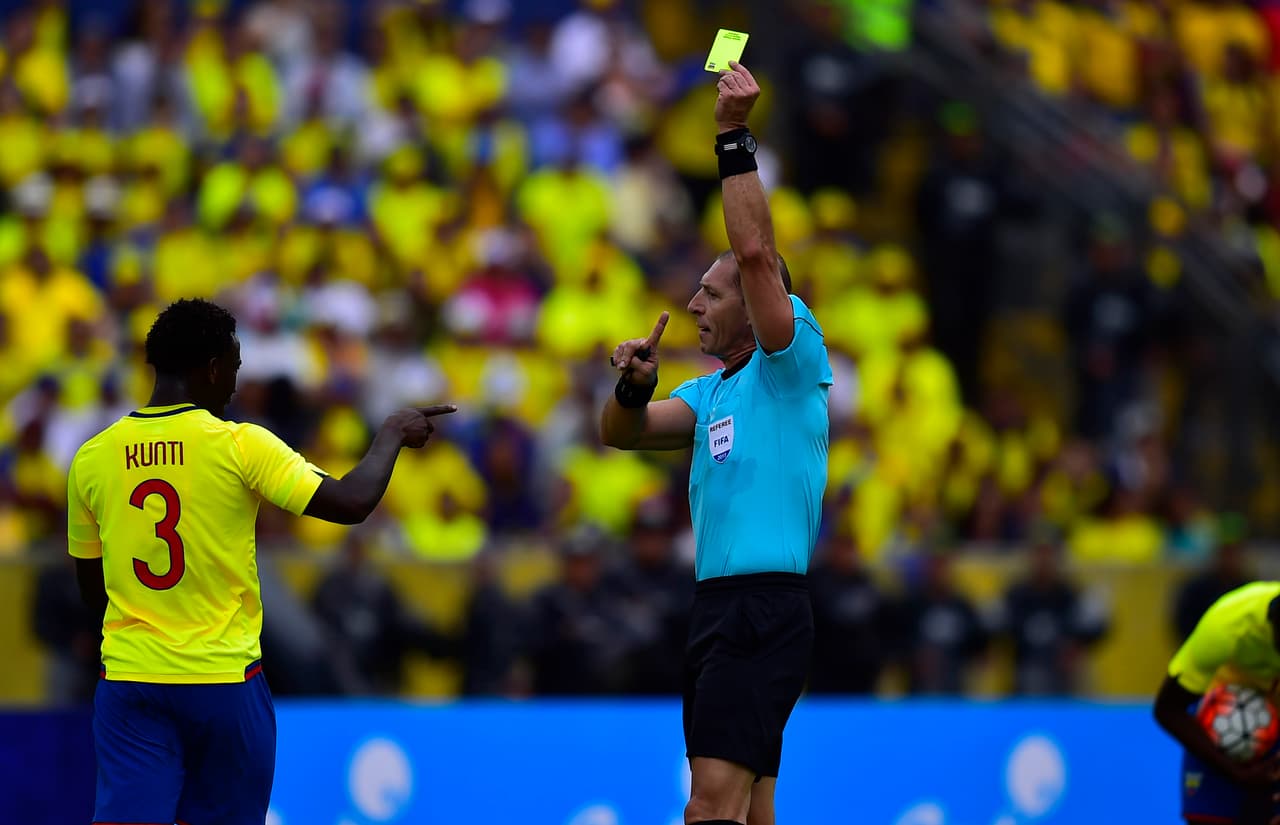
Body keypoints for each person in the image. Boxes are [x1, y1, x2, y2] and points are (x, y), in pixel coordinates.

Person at [67, 298, 456, 825]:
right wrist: (390, 433)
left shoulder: (92, 458)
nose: (234, 384)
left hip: (134, 684)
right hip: (225, 685)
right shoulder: (239, 444)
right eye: (233, 368)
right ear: (210, 368)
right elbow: (350, 503)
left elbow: (94, 591)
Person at [600, 61, 833, 825]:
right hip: (718, 608)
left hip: (762, 608)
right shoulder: (709, 395)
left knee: (708, 806)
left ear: (760, 303)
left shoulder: (790, 359)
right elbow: (624, 433)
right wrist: (633, 384)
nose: (694, 302)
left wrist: (732, 138)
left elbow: (759, 255)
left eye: (711, 291)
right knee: (754, 806)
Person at [1153, 582, 1280, 825]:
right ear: (1272, 624)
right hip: (1216, 724)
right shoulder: (1226, 625)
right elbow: (1167, 709)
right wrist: (1236, 772)